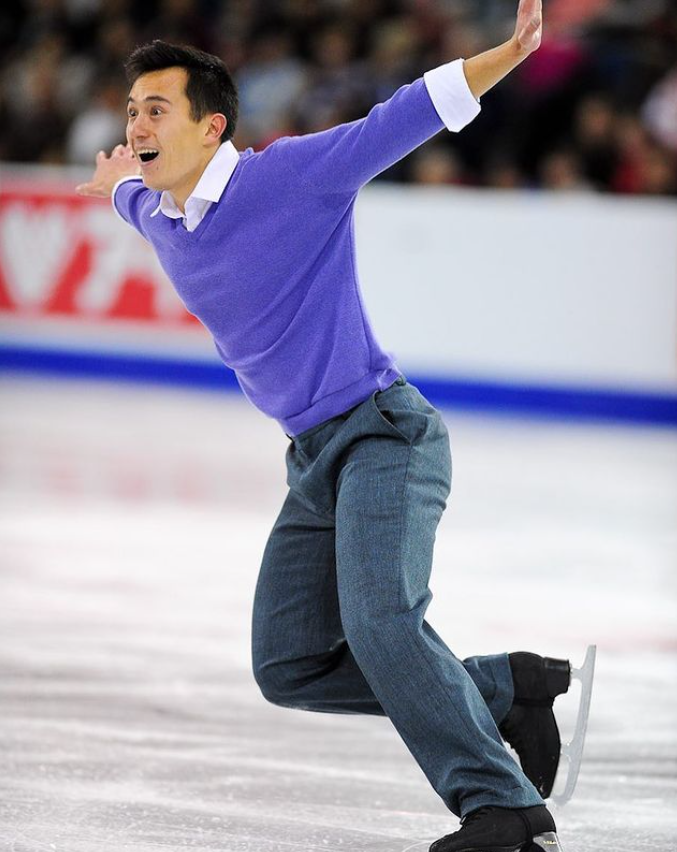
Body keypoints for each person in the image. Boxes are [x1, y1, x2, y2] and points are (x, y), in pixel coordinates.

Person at [76, 3, 579, 850]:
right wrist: (113, 183)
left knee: (383, 625)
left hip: (384, 433)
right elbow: (125, 190)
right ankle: (504, 688)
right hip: (313, 459)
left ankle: (505, 811)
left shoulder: (291, 176)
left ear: (212, 126)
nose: (136, 124)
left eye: (155, 109)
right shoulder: (153, 210)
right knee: (289, 665)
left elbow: (403, 115)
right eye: (130, 110)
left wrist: (510, 51)